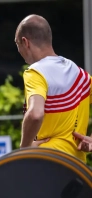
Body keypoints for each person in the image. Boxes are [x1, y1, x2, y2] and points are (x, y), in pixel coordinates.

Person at [15, 14, 92, 163]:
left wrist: (24, 151)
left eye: (17, 45)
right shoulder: (80, 74)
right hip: (77, 169)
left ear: (25, 42)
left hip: (48, 165)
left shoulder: (36, 72)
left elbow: (35, 114)